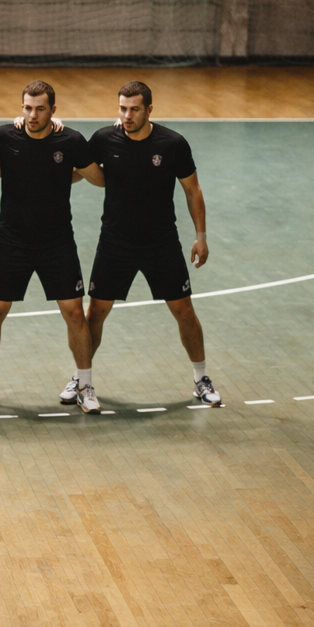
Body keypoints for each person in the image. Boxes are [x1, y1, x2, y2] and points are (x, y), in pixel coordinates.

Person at [84, 81, 223, 407]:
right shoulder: (105, 139)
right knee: (96, 314)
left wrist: (201, 237)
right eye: (122, 108)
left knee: (184, 312)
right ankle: (82, 377)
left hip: (161, 242)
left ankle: (201, 378)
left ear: (149, 110)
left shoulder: (172, 144)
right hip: (115, 241)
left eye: (134, 109)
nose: (127, 115)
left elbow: (193, 190)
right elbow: (80, 165)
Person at [0, 81, 105, 412]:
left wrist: (64, 174)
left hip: (57, 241)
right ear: (21, 108)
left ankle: (85, 385)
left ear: (53, 110)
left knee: (75, 312)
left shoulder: (71, 141)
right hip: (12, 240)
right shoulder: (5, 137)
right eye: (27, 108)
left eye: (40, 109)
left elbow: (99, 177)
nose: (33, 115)